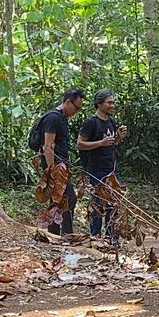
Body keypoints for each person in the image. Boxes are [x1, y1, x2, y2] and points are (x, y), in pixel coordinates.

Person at [77, 89, 129, 242]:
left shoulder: (111, 121)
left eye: (113, 102)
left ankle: (112, 237)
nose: (112, 106)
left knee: (114, 204)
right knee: (98, 204)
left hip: (112, 169)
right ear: (99, 104)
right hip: (97, 169)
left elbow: (112, 144)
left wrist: (119, 137)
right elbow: (80, 144)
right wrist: (100, 143)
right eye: (109, 103)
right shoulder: (91, 122)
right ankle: (95, 236)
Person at [37, 88, 85, 235]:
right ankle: (66, 233)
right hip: (55, 167)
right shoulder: (54, 118)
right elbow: (48, 146)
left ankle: (55, 233)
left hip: (61, 165)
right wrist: (52, 171)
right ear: (68, 102)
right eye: (76, 107)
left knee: (58, 198)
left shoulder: (62, 118)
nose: (77, 111)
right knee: (69, 197)